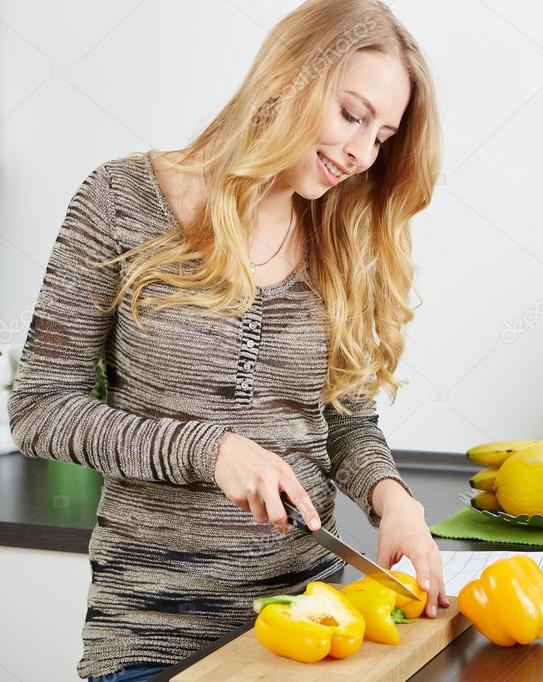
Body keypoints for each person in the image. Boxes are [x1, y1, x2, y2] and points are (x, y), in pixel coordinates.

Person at [6, 1, 446, 680]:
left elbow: (346, 424)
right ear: (286, 78)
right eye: (352, 115)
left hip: (316, 621)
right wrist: (210, 450)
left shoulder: (343, 237)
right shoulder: (121, 200)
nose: (362, 154)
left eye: (383, 136)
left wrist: (397, 503)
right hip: (152, 637)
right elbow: (39, 408)